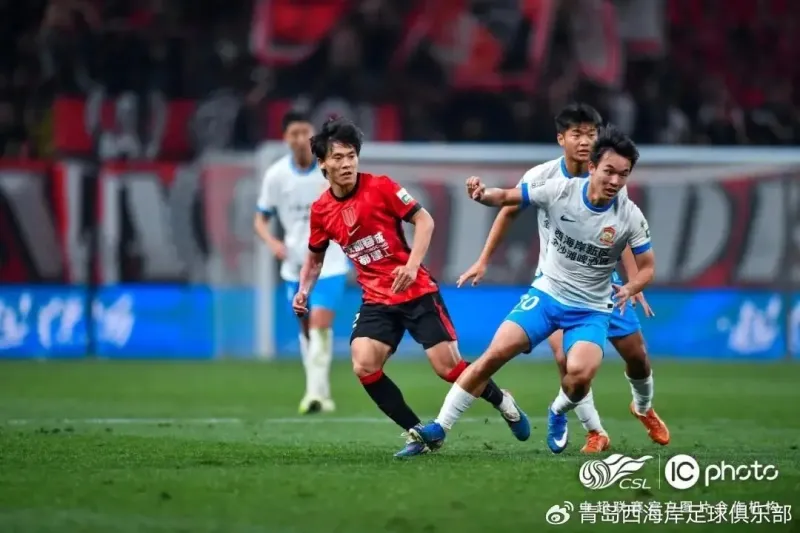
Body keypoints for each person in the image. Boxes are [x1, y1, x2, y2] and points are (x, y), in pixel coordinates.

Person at [291, 116, 530, 457]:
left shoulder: (381, 187)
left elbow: (424, 220)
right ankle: (419, 433)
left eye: (351, 156)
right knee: (364, 365)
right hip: (376, 298)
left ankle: (503, 401)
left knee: (448, 369)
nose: (346, 164)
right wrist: (304, 290)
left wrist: (412, 264)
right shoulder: (321, 210)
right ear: (322, 164)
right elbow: (314, 259)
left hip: (416, 290)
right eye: (338, 158)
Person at [410, 126, 656, 455]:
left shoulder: (630, 216)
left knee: (579, 377)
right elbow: (507, 198)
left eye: (623, 175)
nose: (614, 181)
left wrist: (631, 286)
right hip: (547, 297)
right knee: (493, 356)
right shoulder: (560, 190)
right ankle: (440, 427)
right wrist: (482, 194)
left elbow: (648, 266)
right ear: (593, 167)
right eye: (609, 171)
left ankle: (558, 410)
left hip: (591, 310)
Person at [255, 110, 348, 415]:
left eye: (304, 132)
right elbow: (260, 219)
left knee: (320, 323)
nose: (299, 139)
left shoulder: (329, 169)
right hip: (295, 265)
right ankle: (320, 391)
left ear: (313, 135)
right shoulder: (276, 175)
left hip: (330, 262)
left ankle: (314, 394)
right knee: (307, 329)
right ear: (285, 138)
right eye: (293, 133)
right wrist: (273, 243)